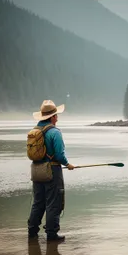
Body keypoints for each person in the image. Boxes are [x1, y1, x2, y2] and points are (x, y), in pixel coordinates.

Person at [28, 100, 75, 242]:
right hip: (52, 171)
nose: (57, 118)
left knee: (38, 202)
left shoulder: (36, 130)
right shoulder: (55, 132)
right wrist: (68, 164)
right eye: (56, 115)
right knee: (53, 202)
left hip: (37, 171)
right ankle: (52, 234)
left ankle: (32, 231)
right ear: (52, 117)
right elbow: (59, 155)